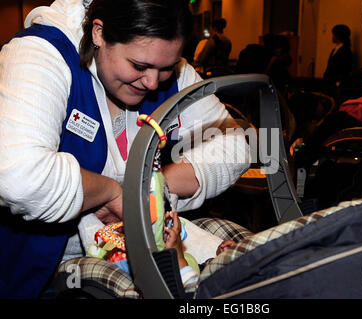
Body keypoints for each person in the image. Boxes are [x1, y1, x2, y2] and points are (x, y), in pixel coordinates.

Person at [0, 0, 249, 298]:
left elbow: (235, 145)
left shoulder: (166, 66)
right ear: (99, 33)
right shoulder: (41, 55)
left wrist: (151, 190)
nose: (153, 81)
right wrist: (111, 192)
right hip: (38, 269)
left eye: (167, 68)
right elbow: (19, 176)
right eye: (139, 66)